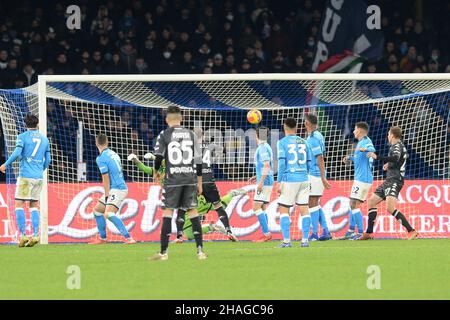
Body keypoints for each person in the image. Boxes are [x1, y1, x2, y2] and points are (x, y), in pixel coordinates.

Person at [127, 153, 247, 241]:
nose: (156, 176)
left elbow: (166, 160)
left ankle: (232, 194)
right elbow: (144, 168)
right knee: (189, 234)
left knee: (219, 206)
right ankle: (212, 227)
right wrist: (136, 160)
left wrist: (154, 157)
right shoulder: (158, 172)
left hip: (193, 197)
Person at [149, 106, 206, 261]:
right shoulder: (191, 134)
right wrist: (200, 182)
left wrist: (155, 171)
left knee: (168, 212)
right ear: (181, 119)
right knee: (193, 212)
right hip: (189, 179)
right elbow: (199, 161)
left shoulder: (164, 134)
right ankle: (200, 252)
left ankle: (164, 253)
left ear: (167, 119)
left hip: (173, 180)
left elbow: (159, 156)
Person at [173, 127, 238, 243]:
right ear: (203, 136)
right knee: (218, 207)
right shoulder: (210, 145)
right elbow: (223, 150)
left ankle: (178, 237)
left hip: (195, 182)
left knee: (182, 209)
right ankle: (228, 231)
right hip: (209, 181)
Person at [0, 114, 51, 247]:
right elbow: (48, 160)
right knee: (34, 205)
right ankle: (35, 235)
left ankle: (22, 235)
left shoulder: (22, 137)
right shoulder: (45, 139)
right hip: (38, 177)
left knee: (18, 204)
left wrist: (5, 164)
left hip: (25, 177)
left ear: (25, 125)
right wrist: (40, 169)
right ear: (37, 124)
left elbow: (17, 153)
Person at [361, 126, 419, 240]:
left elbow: (396, 157)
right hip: (389, 179)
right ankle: (369, 233)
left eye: (388, 134)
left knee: (390, 208)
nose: (387, 136)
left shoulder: (397, 146)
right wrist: (389, 164)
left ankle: (411, 231)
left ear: (392, 135)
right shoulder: (397, 146)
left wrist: (376, 156)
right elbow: (399, 160)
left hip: (395, 180)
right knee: (372, 201)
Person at [89, 133, 137, 244]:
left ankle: (129, 238)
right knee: (97, 211)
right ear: (107, 142)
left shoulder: (101, 158)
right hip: (117, 187)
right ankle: (103, 238)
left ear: (96, 143)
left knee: (108, 214)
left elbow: (106, 178)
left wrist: (106, 196)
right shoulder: (113, 153)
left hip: (117, 189)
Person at [276, 118, 312, 248]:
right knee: (304, 209)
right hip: (304, 177)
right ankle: (305, 241)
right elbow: (309, 163)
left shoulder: (282, 142)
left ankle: (286, 241)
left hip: (290, 178)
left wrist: (279, 181)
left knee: (284, 209)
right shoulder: (304, 142)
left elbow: (281, 163)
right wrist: (304, 173)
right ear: (296, 127)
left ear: (284, 127)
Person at [342, 122, 375, 240]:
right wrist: (350, 158)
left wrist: (365, 149)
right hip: (361, 178)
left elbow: (372, 148)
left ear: (360, 130)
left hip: (363, 179)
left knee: (353, 204)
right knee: (353, 204)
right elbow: (359, 158)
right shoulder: (360, 143)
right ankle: (351, 231)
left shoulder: (366, 140)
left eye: (355, 129)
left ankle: (360, 233)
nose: (353, 131)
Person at [305, 114, 332, 241]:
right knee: (315, 203)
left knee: (312, 202)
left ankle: (315, 233)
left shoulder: (313, 138)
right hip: (316, 173)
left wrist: (322, 177)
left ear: (307, 123)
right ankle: (325, 231)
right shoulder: (318, 135)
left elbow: (320, 157)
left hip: (315, 174)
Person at [249, 127, 274, 242]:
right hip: (267, 179)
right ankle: (266, 234)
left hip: (265, 181)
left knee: (256, 207)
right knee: (262, 208)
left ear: (257, 135)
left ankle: (266, 233)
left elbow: (266, 165)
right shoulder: (266, 146)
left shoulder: (262, 148)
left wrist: (261, 181)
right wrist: (257, 176)